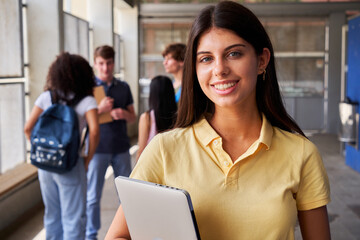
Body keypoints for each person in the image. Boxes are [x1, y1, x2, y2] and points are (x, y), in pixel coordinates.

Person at [105, 1, 331, 240]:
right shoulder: (164, 149)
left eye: (234, 53)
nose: (220, 69)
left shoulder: (301, 154)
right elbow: (117, 236)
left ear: (262, 60)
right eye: (206, 59)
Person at [24, 52, 99, 240]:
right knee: (74, 218)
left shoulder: (46, 97)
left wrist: (42, 152)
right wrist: (87, 160)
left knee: (52, 215)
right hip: (71, 165)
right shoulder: (87, 101)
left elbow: (28, 128)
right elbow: (95, 131)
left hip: (46, 167)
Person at [86, 45, 136, 240]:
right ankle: (91, 235)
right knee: (93, 196)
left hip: (122, 147)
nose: (105, 68)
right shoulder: (89, 88)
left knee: (127, 195)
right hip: (97, 148)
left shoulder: (123, 87)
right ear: (95, 64)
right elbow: (81, 118)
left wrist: (123, 113)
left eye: (108, 63)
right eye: (101, 64)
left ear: (114, 63)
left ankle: (129, 231)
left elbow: (133, 117)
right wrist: (100, 109)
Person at [136, 75, 177, 160]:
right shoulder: (180, 116)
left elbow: (142, 149)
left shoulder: (147, 118)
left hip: (153, 163)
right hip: (173, 162)